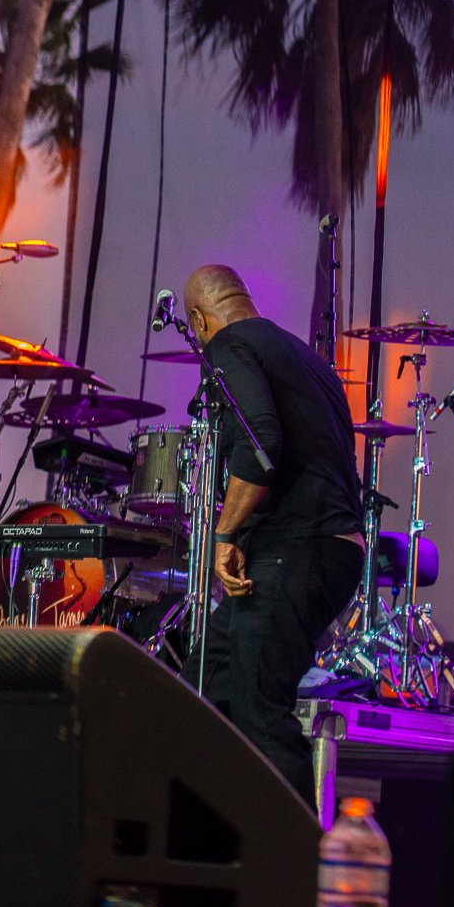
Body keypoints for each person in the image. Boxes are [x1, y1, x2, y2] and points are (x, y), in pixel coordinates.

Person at [177, 265, 364, 804]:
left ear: (198, 321)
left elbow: (259, 444)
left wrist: (224, 534)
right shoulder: (304, 357)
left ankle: (297, 855)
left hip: (297, 551)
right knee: (198, 694)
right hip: (328, 550)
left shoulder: (229, 345)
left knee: (261, 715)